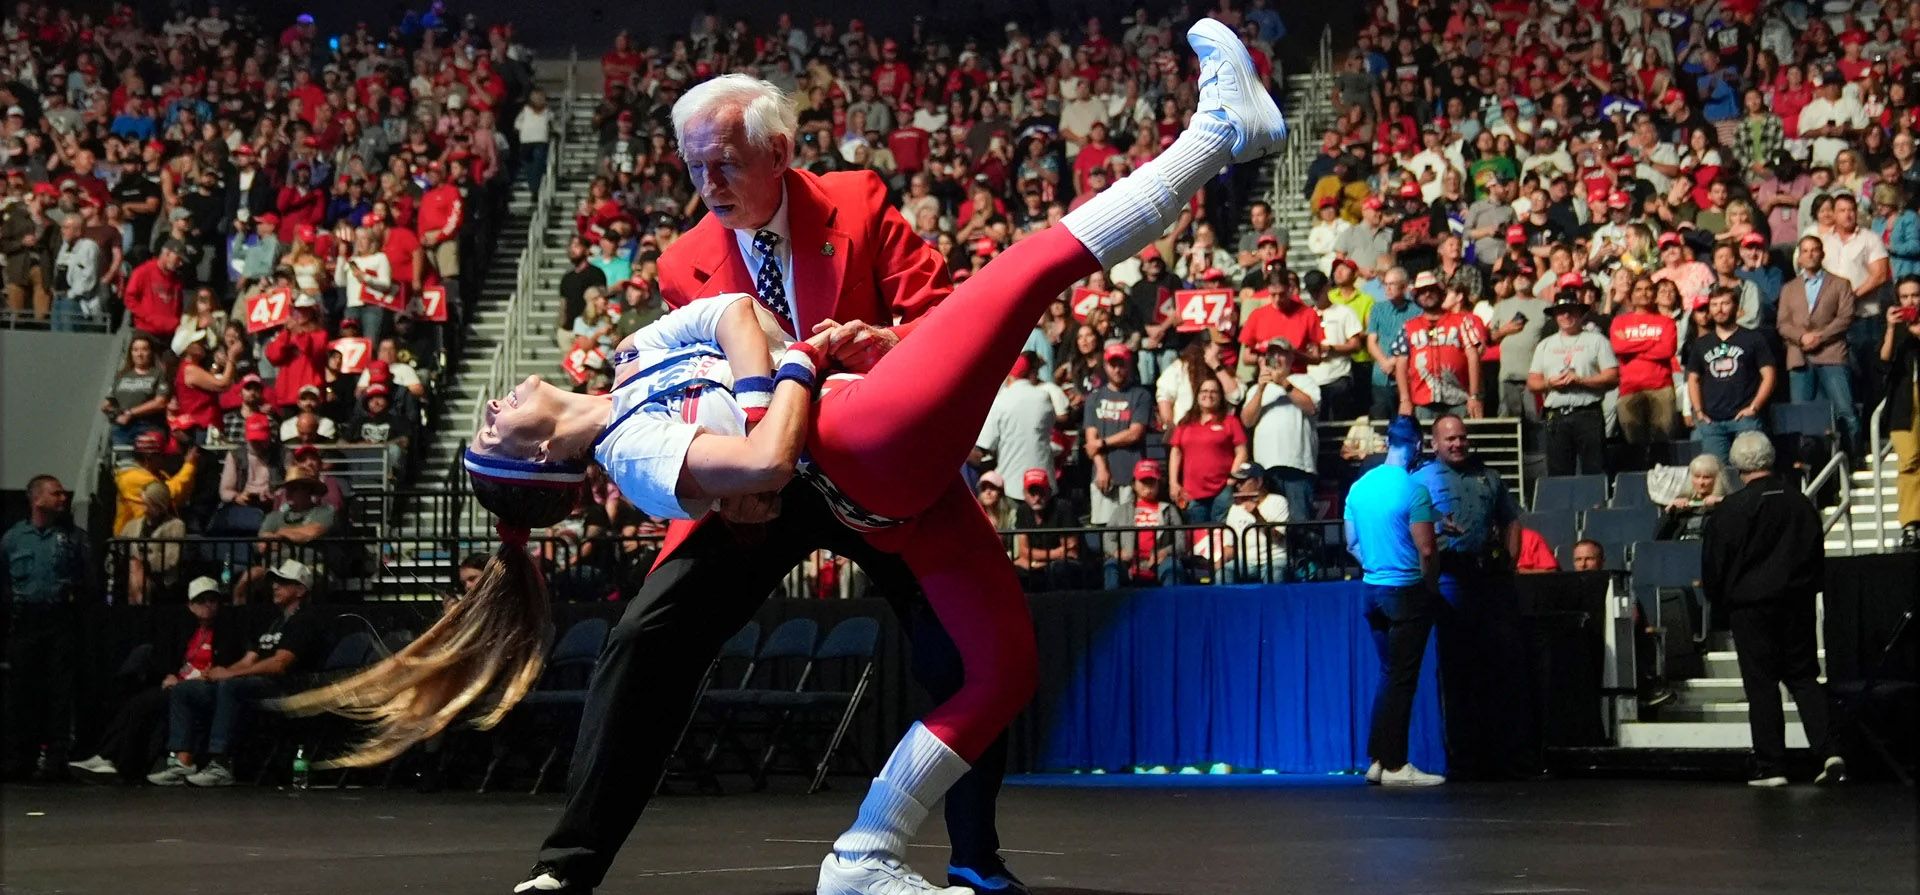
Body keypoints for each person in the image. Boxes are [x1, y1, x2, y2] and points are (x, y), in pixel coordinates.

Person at [281, 25, 1286, 895]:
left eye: (722, 163)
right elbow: (716, 398)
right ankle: (570, 859)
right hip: (762, 476)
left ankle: (975, 856)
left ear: (778, 151)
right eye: (691, 169)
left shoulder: (851, 199)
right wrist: (760, 443)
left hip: (871, 437)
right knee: (647, 640)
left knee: (963, 654)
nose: (706, 186)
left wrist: (880, 349)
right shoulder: (681, 265)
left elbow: (936, 317)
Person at [1702, 432, 1844, 787]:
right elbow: (1815, 554)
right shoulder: (1800, 503)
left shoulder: (1730, 510)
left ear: (1735, 466)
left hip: (1750, 607)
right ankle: (1829, 751)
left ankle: (1772, 766)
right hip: (1796, 601)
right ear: (1771, 459)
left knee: (1762, 684)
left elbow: (1714, 566)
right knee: (1804, 677)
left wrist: (1720, 603)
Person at [1412, 416, 1532, 779]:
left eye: (1463, 438)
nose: (1458, 444)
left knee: (1495, 667)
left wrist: (1510, 562)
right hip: (1447, 576)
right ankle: (1460, 756)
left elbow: (1511, 519)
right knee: (1455, 670)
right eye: (1450, 439)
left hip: (1487, 579)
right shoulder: (1420, 481)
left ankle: (1497, 754)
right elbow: (1409, 524)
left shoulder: (1490, 477)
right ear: (1435, 443)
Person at [150, 559, 329, 788]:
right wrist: (219, 673)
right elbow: (250, 658)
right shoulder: (275, 622)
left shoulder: (305, 621)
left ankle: (221, 764)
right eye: (275, 582)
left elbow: (280, 664)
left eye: (284, 582)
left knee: (231, 686)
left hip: (286, 687)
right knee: (187, 689)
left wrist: (231, 677)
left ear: (301, 590)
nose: (275, 586)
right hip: (257, 683)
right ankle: (183, 763)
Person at [1345, 416, 1446, 786]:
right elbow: (1426, 547)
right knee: (1402, 679)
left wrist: (1379, 562)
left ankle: (1377, 759)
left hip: (1372, 591)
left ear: (1388, 442)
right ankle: (1396, 764)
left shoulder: (1358, 488)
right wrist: (1429, 586)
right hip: (1405, 592)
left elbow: (1352, 543)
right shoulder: (1414, 489)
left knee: (1390, 677)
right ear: (1418, 445)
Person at [69, 577, 246, 783]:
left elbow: (223, 668)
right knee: (136, 702)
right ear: (190, 605)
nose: (207, 605)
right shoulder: (186, 631)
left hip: (200, 689)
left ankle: (110, 758)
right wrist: (170, 675)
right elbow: (171, 660)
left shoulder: (227, 632)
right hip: (178, 687)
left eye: (212, 600)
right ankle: (107, 757)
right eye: (201, 600)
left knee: (144, 704)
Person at [1, 475, 90, 780]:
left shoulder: (73, 538)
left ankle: (56, 760)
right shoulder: (14, 539)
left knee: (59, 693)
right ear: (37, 499)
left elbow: (84, 578)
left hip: (59, 619)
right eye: (56, 494)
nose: (62, 499)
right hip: (25, 620)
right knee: (21, 693)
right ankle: (19, 759)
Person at [1776, 236, 1862, 457]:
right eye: (1805, 251)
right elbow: (1783, 323)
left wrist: (1820, 337)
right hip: (1799, 357)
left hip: (1832, 354)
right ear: (1800, 257)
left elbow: (1846, 316)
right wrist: (1802, 336)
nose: (1810, 254)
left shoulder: (1840, 283)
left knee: (1845, 410)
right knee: (1802, 416)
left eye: (1815, 250)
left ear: (1822, 254)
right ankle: (1810, 463)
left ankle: (1854, 456)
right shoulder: (1789, 288)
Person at [1529, 297, 1619, 476]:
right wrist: (1549, 383)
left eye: (1571, 310)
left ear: (1580, 313)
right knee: (1558, 473)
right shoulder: (1544, 345)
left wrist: (1581, 380)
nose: (1566, 315)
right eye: (1561, 311)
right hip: (1556, 416)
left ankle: (1596, 504)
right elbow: (1533, 382)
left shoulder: (1597, 340)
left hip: (1588, 413)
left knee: (1595, 470)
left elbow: (1613, 377)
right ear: (1555, 316)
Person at [1687, 287, 1779, 462]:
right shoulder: (1701, 344)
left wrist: (1754, 407)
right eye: (1714, 305)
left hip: (1745, 420)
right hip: (1712, 422)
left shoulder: (1753, 338)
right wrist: (1698, 411)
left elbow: (1769, 374)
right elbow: (1693, 379)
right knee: (1717, 476)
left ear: (1736, 307)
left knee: (1750, 469)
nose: (1719, 309)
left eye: (1725, 303)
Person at [1240, 338, 1321, 522]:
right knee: (1270, 525)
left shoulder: (1305, 381)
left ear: (1291, 358)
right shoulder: (1255, 389)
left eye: (1281, 354)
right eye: (1271, 354)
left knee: (1300, 525)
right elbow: (1247, 420)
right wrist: (1261, 388)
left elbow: (1311, 407)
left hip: (1297, 467)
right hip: (1266, 470)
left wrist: (1284, 383)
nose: (1276, 358)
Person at [1085, 343, 1155, 527]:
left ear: (1129, 365)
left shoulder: (1141, 395)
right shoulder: (1094, 398)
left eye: (1121, 364)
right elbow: (1091, 439)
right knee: (1104, 529)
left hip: (1132, 474)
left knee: (1131, 529)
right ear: (1105, 366)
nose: (1117, 369)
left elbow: (1135, 433)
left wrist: (1102, 443)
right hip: (1103, 474)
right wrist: (1101, 468)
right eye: (1112, 364)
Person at [1398, 271, 1484, 421]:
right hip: (1422, 402)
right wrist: (1405, 400)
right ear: (1416, 297)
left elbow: (1473, 356)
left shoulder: (1462, 321)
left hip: (1459, 399)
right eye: (1422, 292)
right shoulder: (1408, 327)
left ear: (1440, 293)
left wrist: (1474, 395)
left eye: (1432, 290)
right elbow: (1401, 364)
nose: (1427, 294)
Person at [974, 353, 1062, 494]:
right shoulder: (1043, 397)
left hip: (1011, 485)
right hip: (1043, 482)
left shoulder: (1000, 400)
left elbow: (986, 444)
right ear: (1031, 373)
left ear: (1010, 375)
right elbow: (1052, 425)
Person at [1167, 378, 1248, 523]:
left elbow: (1242, 451)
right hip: (1192, 493)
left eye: (1213, 391)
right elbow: (1176, 452)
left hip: (1223, 490)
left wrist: (1231, 479)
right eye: (1204, 391)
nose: (1208, 395)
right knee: (1199, 539)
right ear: (1197, 395)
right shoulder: (1185, 423)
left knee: (1222, 538)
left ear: (1220, 396)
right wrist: (1173, 482)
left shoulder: (1230, 422)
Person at [1878, 275, 1920, 549]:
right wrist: (1892, 329)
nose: (1910, 301)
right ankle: (1910, 523)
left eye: (1915, 295)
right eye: (1904, 297)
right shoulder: (1896, 329)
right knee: (1908, 462)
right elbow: (1883, 362)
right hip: (1903, 405)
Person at [112, 432, 199, 536]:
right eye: (162, 455)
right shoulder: (130, 477)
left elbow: (180, 498)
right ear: (148, 458)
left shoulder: (159, 474)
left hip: (158, 534)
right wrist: (189, 465)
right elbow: (168, 494)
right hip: (133, 540)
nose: (166, 459)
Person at [1657, 454, 1732, 541]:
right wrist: (1669, 513)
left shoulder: (1727, 504)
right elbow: (1658, 538)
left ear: (1717, 479)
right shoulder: (1681, 504)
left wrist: (1721, 502)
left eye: (1706, 478)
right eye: (1697, 476)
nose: (1701, 482)